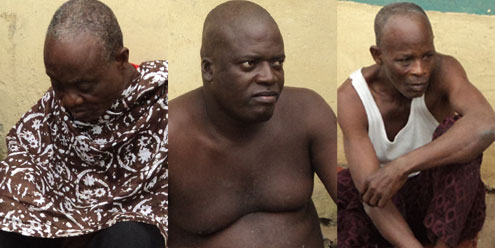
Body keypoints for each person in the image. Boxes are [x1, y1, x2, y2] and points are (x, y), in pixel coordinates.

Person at [168, 1, 336, 247]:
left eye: (277, 62)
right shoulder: (167, 134)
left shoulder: (308, 112)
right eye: (249, 64)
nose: (269, 77)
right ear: (208, 69)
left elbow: (355, 199)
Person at [0, 0, 167, 247]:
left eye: (84, 87)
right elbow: (24, 156)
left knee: (129, 240)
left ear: (121, 59)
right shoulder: (59, 99)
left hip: (126, 220)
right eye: (57, 84)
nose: (68, 100)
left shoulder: (157, 101)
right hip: (59, 217)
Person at [337, 2, 495, 247]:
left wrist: (401, 166)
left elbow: (485, 125)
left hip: (439, 204)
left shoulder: (445, 71)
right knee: (350, 185)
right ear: (378, 55)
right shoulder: (352, 97)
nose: (420, 70)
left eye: (427, 56)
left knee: (462, 140)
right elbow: (371, 195)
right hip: (389, 208)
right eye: (405, 60)